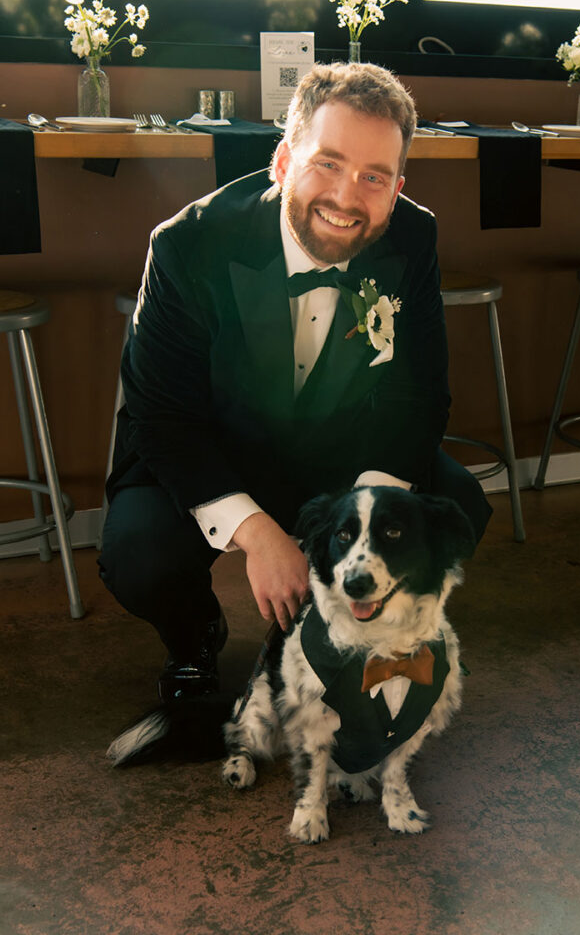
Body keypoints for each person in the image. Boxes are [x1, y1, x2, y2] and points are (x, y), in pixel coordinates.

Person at [98, 61, 492, 702]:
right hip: (211, 448)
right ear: (284, 161)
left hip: (338, 454)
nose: (346, 197)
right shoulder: (187, 244)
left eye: (374, 177)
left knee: (457, 504)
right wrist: (258, 536)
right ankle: (194, 637)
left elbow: (419, 395)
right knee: (139, 554)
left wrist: (362, 520)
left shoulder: (412, 236)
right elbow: (162, 416)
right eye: (327, 164)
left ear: (396, 187)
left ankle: (351, 635)